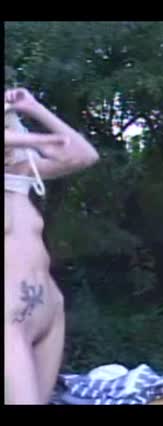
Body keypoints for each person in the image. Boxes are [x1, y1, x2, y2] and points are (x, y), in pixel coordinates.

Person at [4, 88, 100, 404]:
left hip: (49, 308)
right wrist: (35, 140)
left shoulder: (19, 175)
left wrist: (33, 107)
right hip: (9, 320)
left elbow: (85, 156)